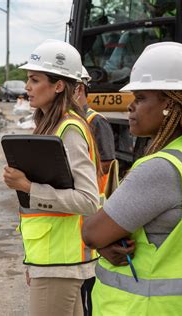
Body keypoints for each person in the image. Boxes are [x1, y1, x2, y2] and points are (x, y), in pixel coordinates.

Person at [82, 42, 182, 315]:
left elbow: (92, 233)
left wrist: (104, 241)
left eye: (141, 97)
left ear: (170, 103)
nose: (130, 106)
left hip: (146, 307)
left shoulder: (160, 168)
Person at [3, 39, 100, 315]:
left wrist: (27, 187)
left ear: (58, 85)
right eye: (27, 80)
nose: (27, 87)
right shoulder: (50, 127)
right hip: (51, 260)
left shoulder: (68, 129)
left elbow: (88, 200)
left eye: (35, 80)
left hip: (60, 262)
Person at [77, 66, 116, 316]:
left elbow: (106, 166)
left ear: (78, 89)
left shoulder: (95, 122)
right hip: (77, 214)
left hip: (94, 213)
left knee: (91, 285)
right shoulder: (68, 122)